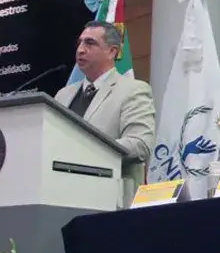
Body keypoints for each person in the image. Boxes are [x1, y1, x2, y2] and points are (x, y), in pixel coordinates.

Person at [55, 21, 155, 201]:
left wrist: (86, 151)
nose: (80, 50)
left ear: (112, 51)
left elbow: (140, 144)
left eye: (90, 43)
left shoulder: (133, 90)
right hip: (61, 195)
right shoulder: (63, 95)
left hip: (109, 200)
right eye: (80, 42)